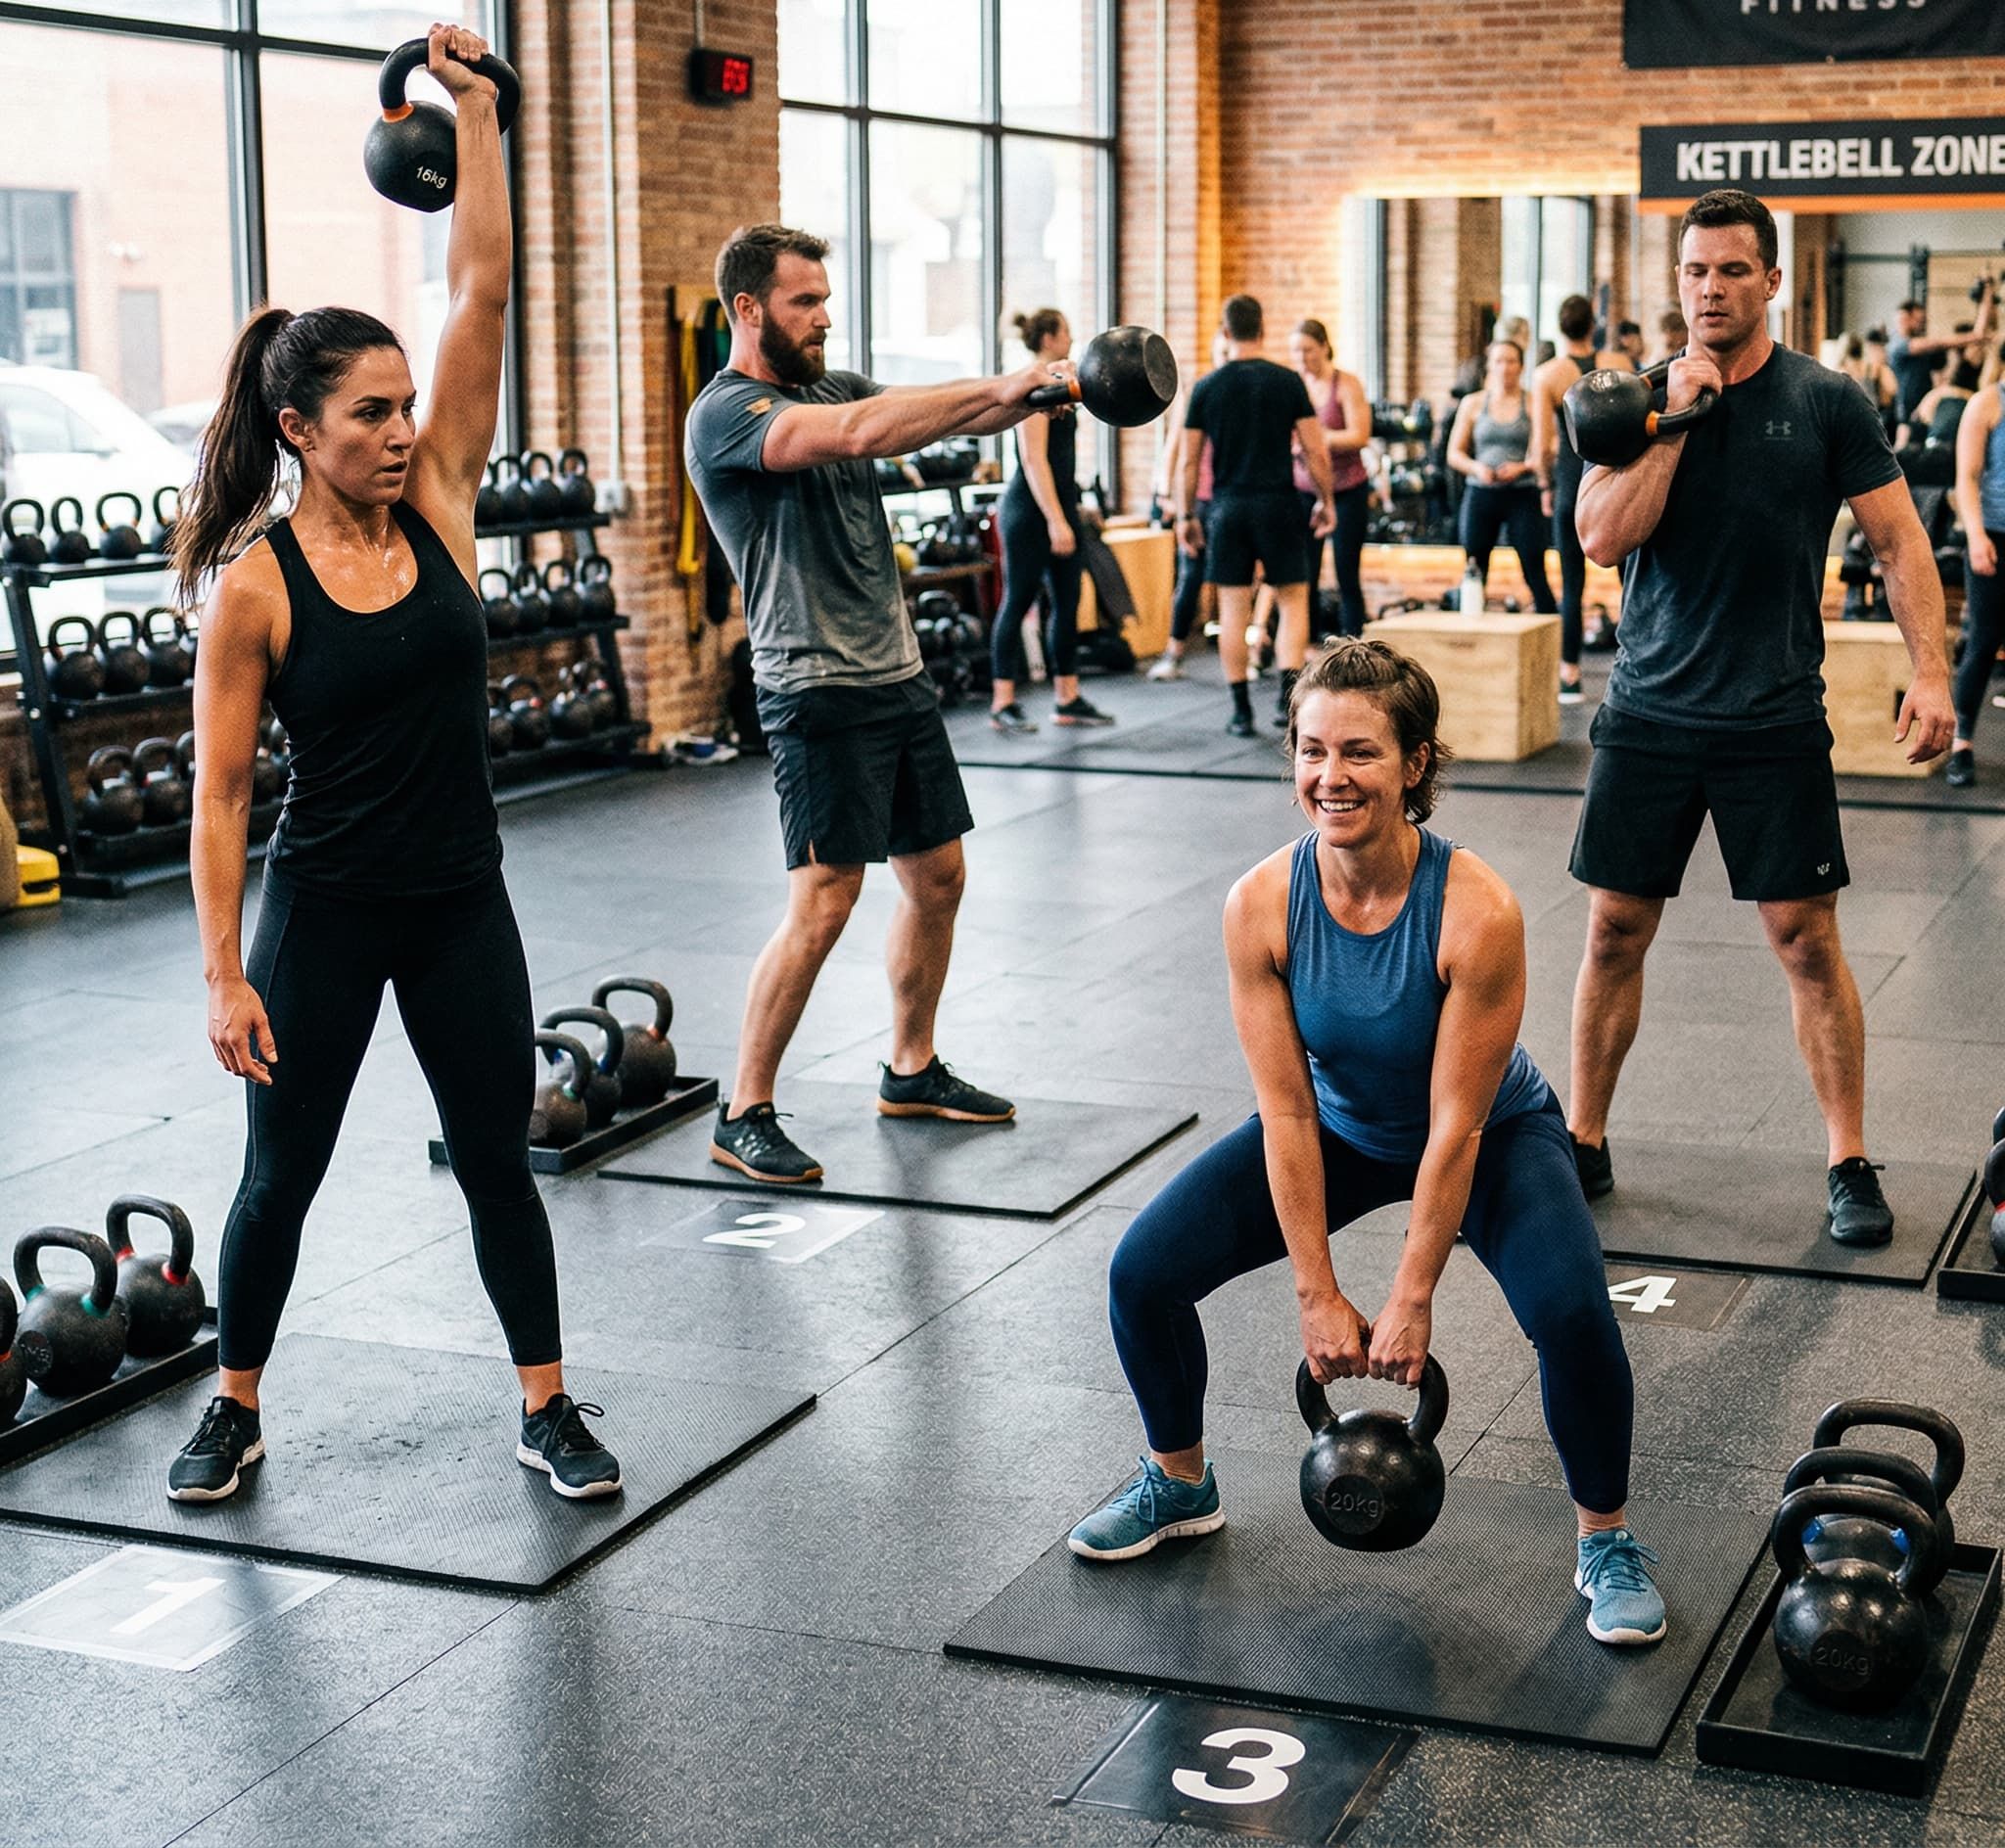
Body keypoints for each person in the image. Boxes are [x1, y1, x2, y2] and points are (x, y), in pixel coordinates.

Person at [167, 26, 619, 1505]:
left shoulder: (437, 503)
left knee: (499, 1159)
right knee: (276, 1176)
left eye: (407, 405)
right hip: (328, 910)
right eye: (370, 413)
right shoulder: (257, 586)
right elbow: (223, 796)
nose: (402, 429)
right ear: (297, 428)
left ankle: (545, 1404)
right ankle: (234, 1404)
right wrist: (228, 972)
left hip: (458, 902)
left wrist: (479, 118)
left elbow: (483, 286)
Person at [1065, 639, 1667, 1648]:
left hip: (1488, 1129)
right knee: (1142, 1271)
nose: (1328, 776)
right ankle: (1178, 1483)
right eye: (1308, 750)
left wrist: (1409, 1296)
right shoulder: (1259, 903)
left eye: (1358, 753)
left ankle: (1603, 1538)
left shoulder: (1477, 911)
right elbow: (1288, 1112)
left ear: (1415, 764)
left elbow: (1454, 1125)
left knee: (1569, 1311)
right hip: (1335, 1126)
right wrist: (1316, 1291)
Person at [1569, 189, 1954, 1243]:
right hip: (1646, 708)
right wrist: (1674, 424)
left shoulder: (1824, 401)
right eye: (1693, 272)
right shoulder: (1632, 399)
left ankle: (1846, 1158)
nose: (1708, 290)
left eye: (1731, 271)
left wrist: (1931, 674)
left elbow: (1897, 542)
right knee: (1610, 931)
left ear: (1771, 281)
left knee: (1803, 940)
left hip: (1772, 714)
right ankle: (1584, 1139)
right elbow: (1599, 538)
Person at [684, 223, 1042, 1185]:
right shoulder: (726, 415)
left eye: (823, 298)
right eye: (804, 301)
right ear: (748, 309)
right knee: (824, 901)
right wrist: (1011, 385)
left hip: (896, 678)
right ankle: (743, 1106)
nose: (824, 315)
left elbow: (923, 415)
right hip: (814, 689)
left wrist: (1042, 386)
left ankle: (910, 1067)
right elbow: (859, 433)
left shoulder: (831, 385)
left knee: (937, 878)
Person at [1176, 296, 1335, 736]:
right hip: (1278, 504)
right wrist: (1327, 501)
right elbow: (1315, 450)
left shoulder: (1206, 387)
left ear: (1226, 333)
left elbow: (1189, 463)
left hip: (1226, 508)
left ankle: (1240, 710)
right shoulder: (1287, 381)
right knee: (1291, 599)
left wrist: (1185, 515)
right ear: (1262, 330)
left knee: (1233, 609)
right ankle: (1287, 704)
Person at [987, 308, 1113, 734]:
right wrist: (1057, 521)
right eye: (1066, 332)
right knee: (1019, 600)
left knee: (1067, 601)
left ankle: (1067, 697)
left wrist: (1075, 507)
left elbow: (1061, 462)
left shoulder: (1059, 383)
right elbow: (1034, 460)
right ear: (1048, 338)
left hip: (1059, 506)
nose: (1072, 339)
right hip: (1029, 513)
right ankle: (1003, 702)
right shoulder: (1033, 387)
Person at [1531, 295, 1626, 703]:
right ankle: (1635, 663)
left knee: (1573, 584)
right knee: (1632, 581)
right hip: (1617, 482)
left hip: (1573, 484)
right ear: (1594, 325)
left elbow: (1541, 447)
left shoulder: (1548, 375)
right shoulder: (1620, 366)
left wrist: (1545, 488)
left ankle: (1569, 673)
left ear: (1560, 327)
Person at [1446, 341, 1559, 624]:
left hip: (1522, 493)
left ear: (1520, 366)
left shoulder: (1533, 402)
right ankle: (1468, 639)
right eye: (1498, 361)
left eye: (1511, 361)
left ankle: (1552, 645)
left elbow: (1551, 445)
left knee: (1534, 567)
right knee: (1474, 568)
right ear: (1489, 365)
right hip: (1481, 493)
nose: (1504, 367)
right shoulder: (1473, 403)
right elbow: (1454, 453)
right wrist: (1477, 468)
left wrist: (1523, 466)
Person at [1147, 331, 1228, 682]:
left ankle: (1247, 654)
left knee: (1235, 580)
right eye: (1221, 351)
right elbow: (1177, 446)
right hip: (1201, 499)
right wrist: (1167, 492)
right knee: (1191, 576)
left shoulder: (1244, 393)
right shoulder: (1203, 390)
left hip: (1230, 500)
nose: (1227, 356)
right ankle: (1175, 652)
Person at [1288, 318, 1372, 638]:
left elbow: (1359, 435)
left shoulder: (1346, 384)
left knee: (1346, 573)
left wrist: (1317, 438)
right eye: (1296, 351)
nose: (1302, 357)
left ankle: (1355, 645)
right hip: (1304, 490)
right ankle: (1305, 648)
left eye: (1308, 349)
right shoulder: (1295, 385)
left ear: (1324, 347)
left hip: (1347, 488)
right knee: (1304, 574)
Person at [1948, 354, 2005, 788]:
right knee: (1983, 640)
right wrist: (1975, 536)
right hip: (1992, 536)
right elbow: (1966, 478)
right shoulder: (1987, 404)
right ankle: (1961, 744)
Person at [1888, 285, 1994, 425]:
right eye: (1918, 320)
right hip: (1909, 409)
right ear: (1905, 317)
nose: (1922, 324)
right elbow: (1940, 342)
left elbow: (1939, 374)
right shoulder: (1898, 344)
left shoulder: (1924, 350)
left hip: (1926, 406)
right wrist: (1975, 336)